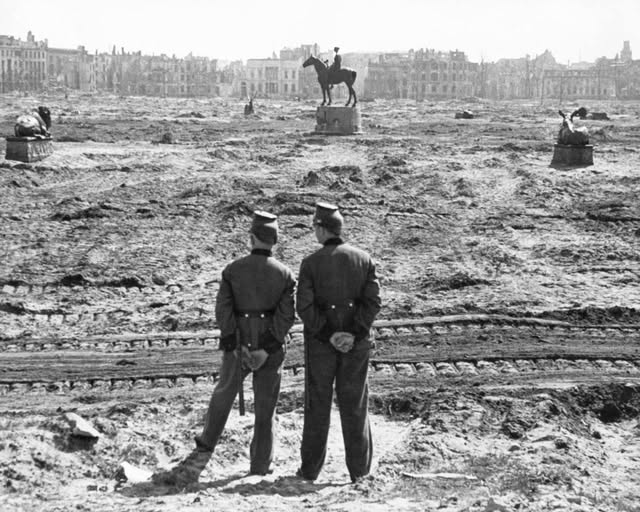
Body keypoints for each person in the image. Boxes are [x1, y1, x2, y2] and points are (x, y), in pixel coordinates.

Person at [195, 210, 296, 476]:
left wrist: (233, 342)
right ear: (275, 241)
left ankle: (206, 444)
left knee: (224, 391)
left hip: (239, 339)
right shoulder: (285, 274)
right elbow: (287, 316)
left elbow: (223, 309)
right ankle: (261, 463)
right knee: (266, 404)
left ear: (251, 238)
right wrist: (267, 347)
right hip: (270, 344)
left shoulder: (232, 270)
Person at [296, 202, 381, 483]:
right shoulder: (364, 259)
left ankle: (310, 470)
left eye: (314, 226)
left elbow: (304, 307)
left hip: (321, 346)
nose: (314, 231)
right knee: (355, 404)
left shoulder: (310, 263)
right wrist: (353, 333)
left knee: (317, 405)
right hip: (356, 345)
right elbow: (373, 302)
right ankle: (360, 471)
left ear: (322, 229)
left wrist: (328, 334)